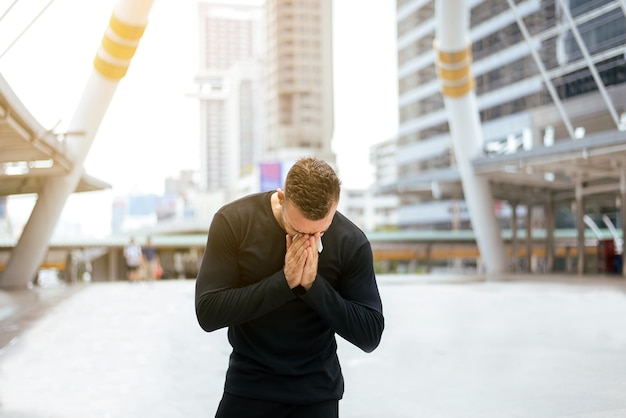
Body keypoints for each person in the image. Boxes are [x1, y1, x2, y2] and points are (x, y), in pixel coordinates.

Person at [195, 156, 384, 418]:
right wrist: (284, 283)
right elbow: (208, 312)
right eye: (296, 229)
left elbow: (370, 335)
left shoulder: (351, 242)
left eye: (319, 233)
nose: (307, 241)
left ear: (334, 207)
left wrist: (312, 286)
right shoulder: (234, 221)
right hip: (250, 385)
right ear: (282, 198)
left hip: (317, 392)